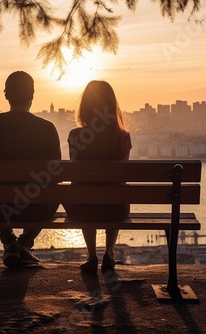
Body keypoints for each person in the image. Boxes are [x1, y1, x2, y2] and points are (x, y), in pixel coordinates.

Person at [0, 71, 61, 267]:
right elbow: (56, 174)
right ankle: (24, 243)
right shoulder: (47, 128)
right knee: (51, 193)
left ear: (6, 95)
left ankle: (9, 241)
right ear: (32, 95)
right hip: (38, 207)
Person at [64, 80, 132, 274]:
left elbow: (77, 176)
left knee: (84, 193)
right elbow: (121, 178)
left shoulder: (76, 136)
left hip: (83, 210)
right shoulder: (123, 137)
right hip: (115, 210)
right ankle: (109, 253)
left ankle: (92, 255)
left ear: (84, 107)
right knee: (115, 193)